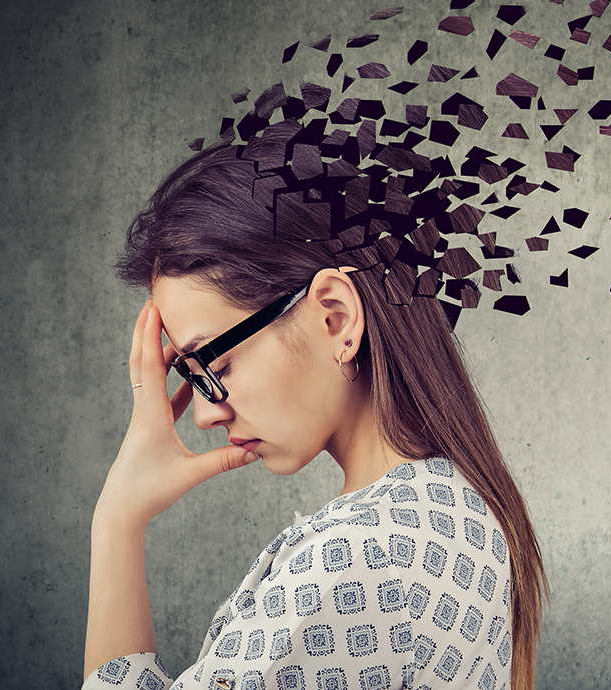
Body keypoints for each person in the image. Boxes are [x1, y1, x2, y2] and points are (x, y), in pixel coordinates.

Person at [82, 129, 547, 690]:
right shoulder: (459, 511)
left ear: (336, 317)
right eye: (193, 375)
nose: (204, 416)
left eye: (216, 366)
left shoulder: (355, 561)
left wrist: (116, 520)